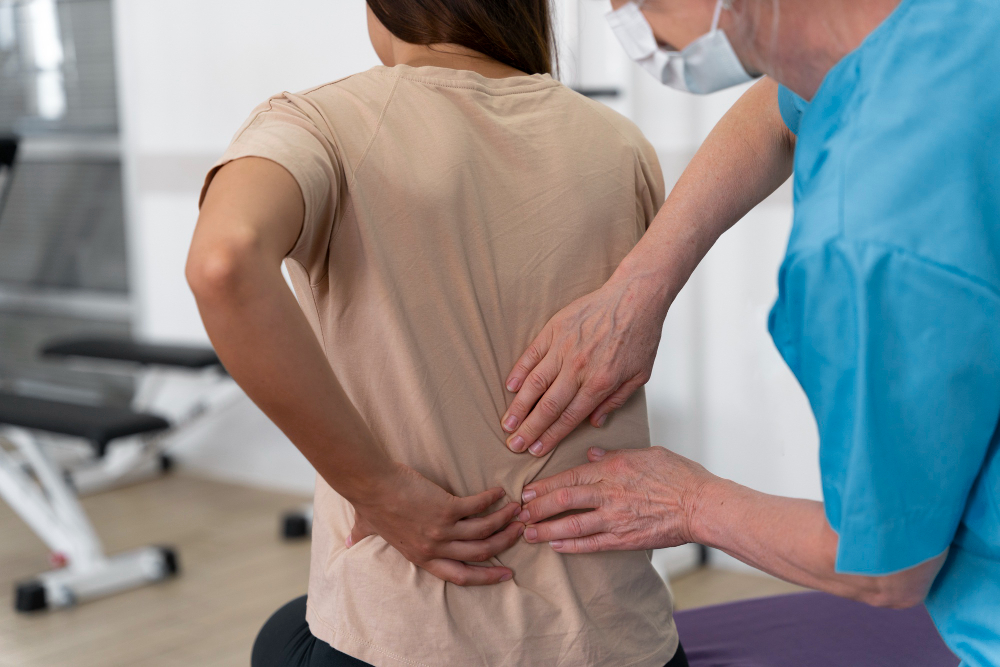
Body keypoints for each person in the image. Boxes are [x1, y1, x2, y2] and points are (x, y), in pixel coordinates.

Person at [187, 1, 687, 665]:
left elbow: (223, 264)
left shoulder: (321, 123)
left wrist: (378, 490)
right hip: (623, 642)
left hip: (408, 641)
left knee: (279, 641)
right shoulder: (622, 144)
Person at [503, 0, 1000, 665]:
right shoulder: (942, 26)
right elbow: (783, 104)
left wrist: (688, 503)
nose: (628, 26)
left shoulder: (869, 239)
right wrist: (641, 282)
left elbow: (887, 569)